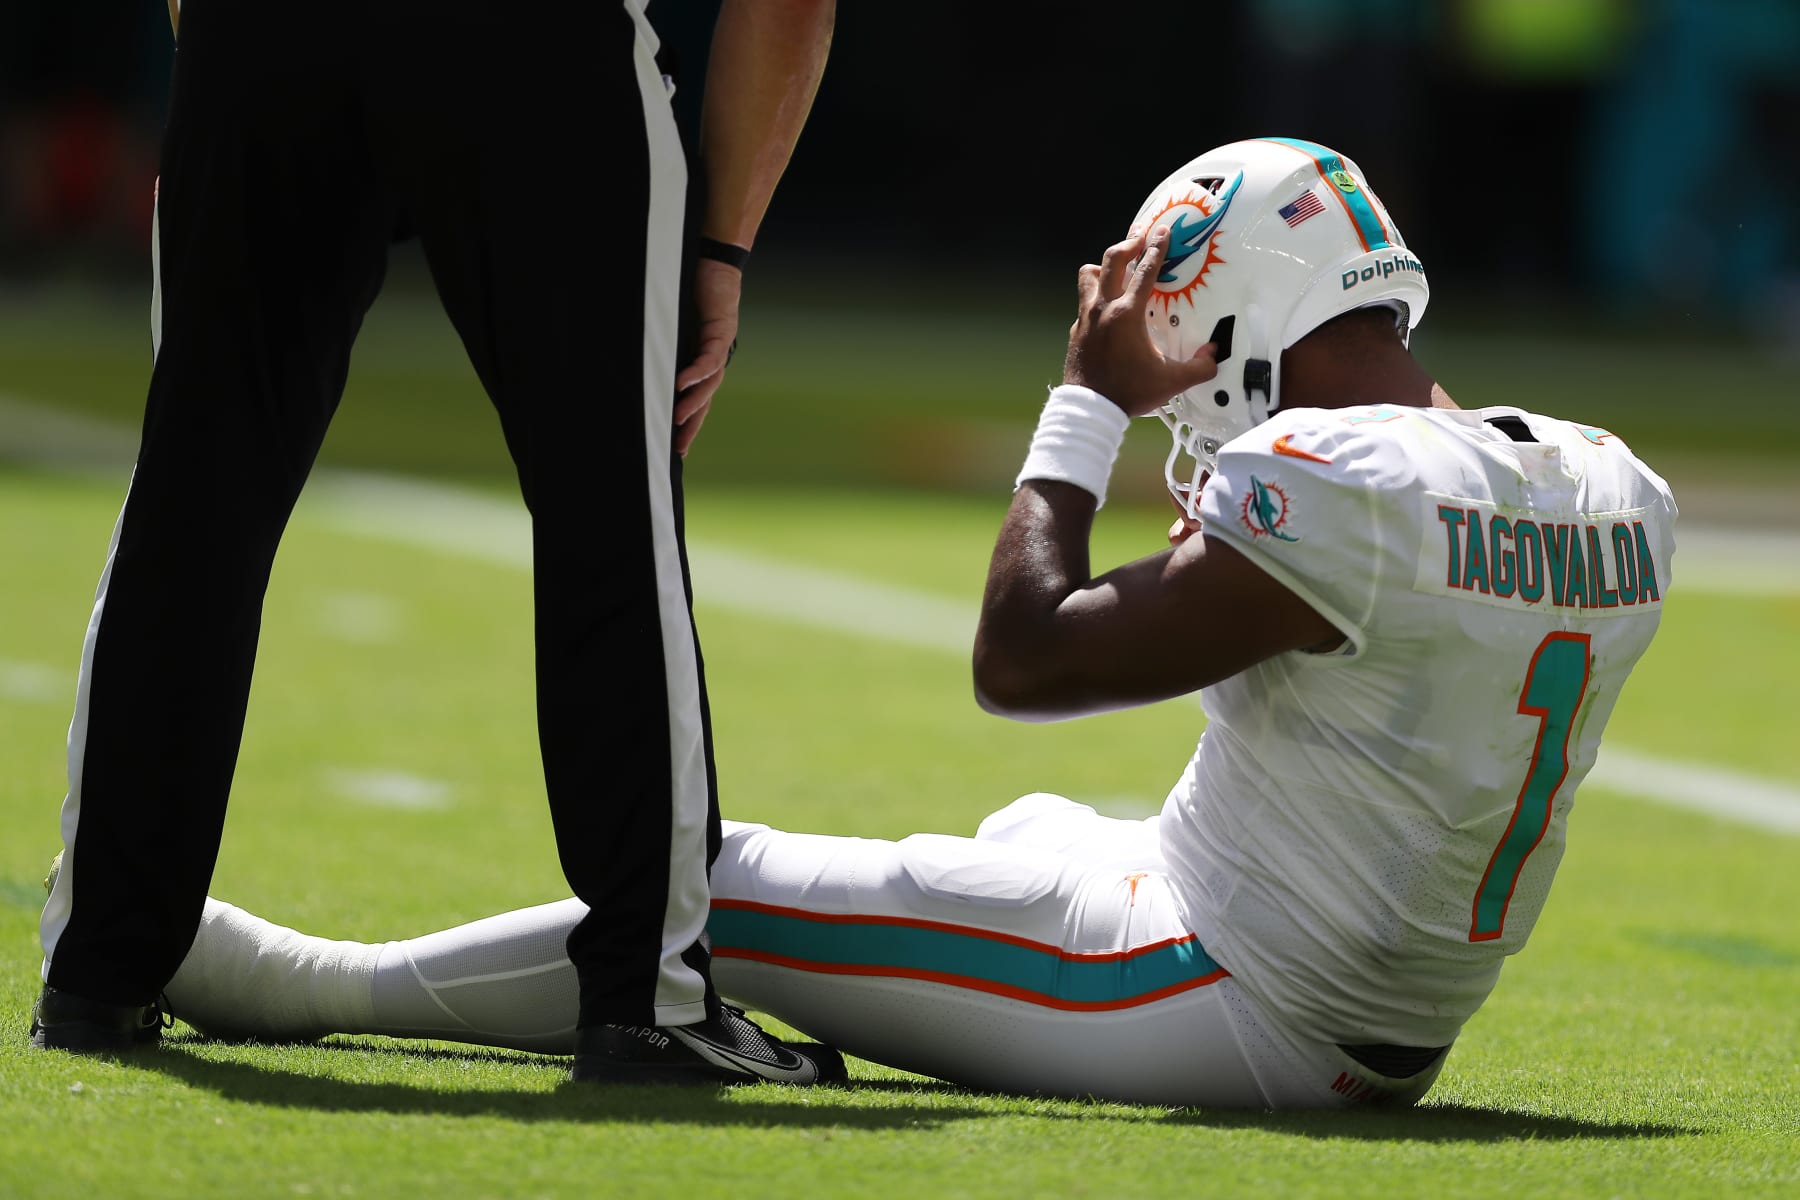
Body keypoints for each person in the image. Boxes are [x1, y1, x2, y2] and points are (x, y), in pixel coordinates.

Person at [107, 137, 1676, 1107]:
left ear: (1244, 323)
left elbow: (1027, 654)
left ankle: (307, 985)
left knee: (716, 886)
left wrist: (1085, 406)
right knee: (1031, 824)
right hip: (1380, 1002)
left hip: (1230, 996)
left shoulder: (1340, 488)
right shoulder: (1617, 489)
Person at [31, 0, 844, 1088]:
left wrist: (224, 67)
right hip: (528, 43)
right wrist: (721, 245)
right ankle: (648, 997)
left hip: (266, 41)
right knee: (612, 512)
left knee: (195, 500)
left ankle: (101, 967)